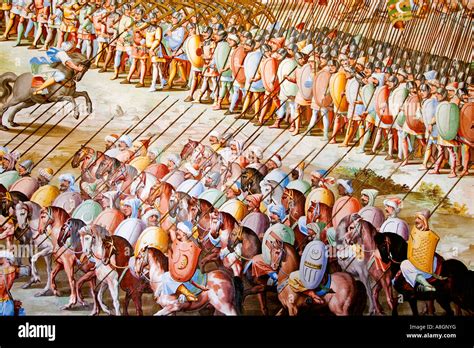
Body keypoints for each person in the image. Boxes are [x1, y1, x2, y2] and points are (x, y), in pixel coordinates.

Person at [400, 209, 439, 292]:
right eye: (416, 218)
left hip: (427, 264)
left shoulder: (428, 235)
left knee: (404, 265)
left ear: (424, 221)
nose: (416, 220)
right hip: (417, 261)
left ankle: (426, 285)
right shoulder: (415, 232)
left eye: (419, 218)